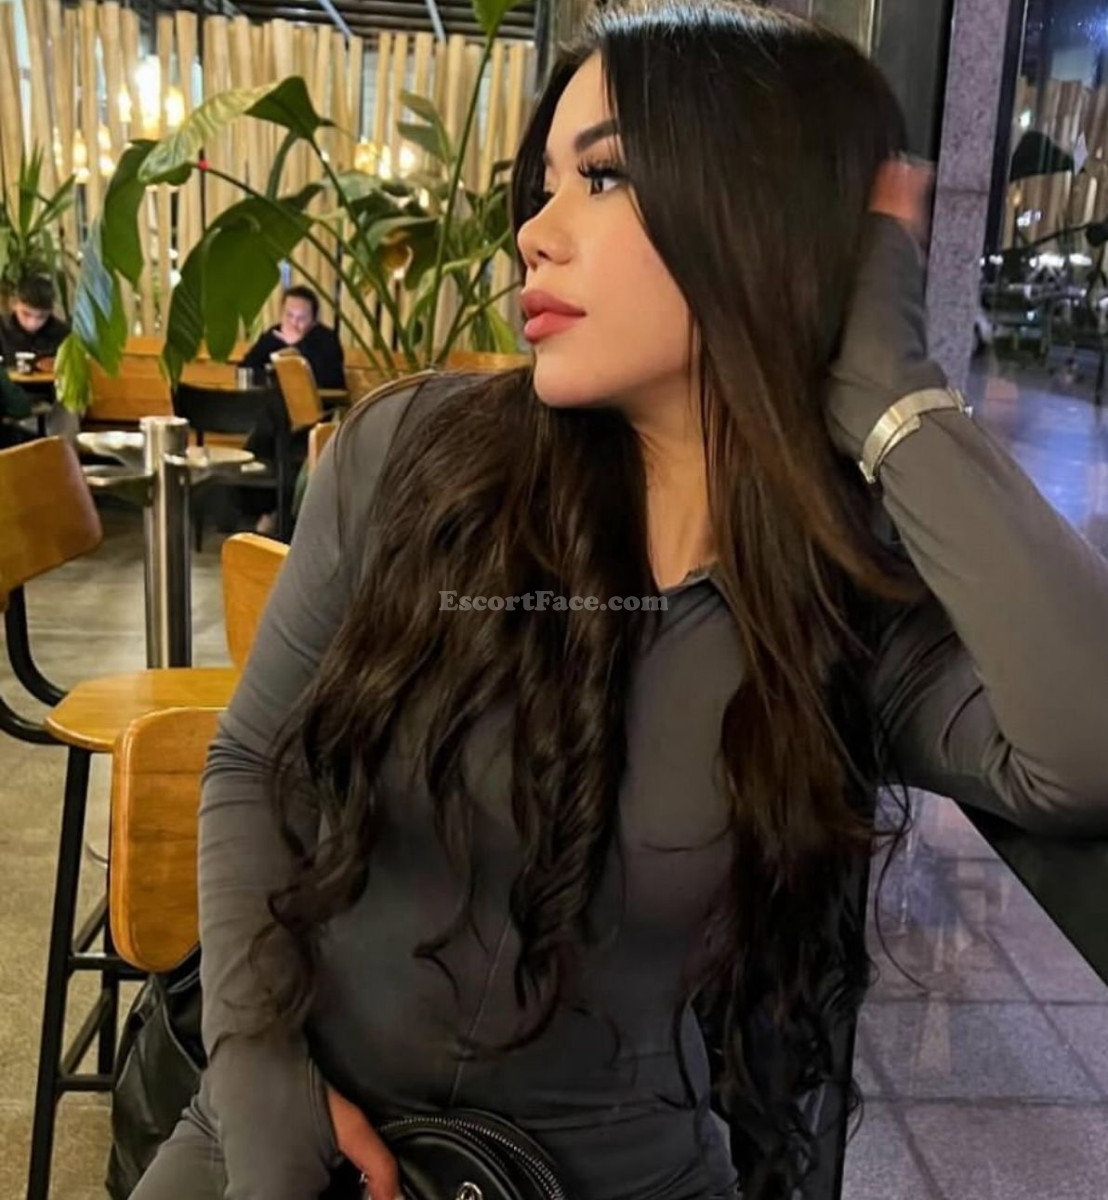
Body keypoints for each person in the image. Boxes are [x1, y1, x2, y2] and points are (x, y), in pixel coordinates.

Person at [131, 4, 1108, 1200]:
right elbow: (249, 762)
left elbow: (1086, 744)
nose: (533, 233)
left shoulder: (833, 602)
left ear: (756, 216)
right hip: (288, 1128)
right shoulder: (411, 458)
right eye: (543, 184)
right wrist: (256, 1072)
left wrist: (892, 391)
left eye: (600, 178)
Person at [238, 285, 345, 390]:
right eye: (289, 315)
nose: (294, 323)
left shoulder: (327, 339)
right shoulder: (274, 334)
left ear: (313, 320)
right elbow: (246, 367)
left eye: (301, 318)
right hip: (273, 396)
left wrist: (296, 345)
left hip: (316, 399)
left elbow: (329, 380)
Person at [0, 275, 69, 368]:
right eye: (26, 314)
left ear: (50, 312)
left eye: (42, 317)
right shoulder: (2, 329)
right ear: (13, 304)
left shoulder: (63, 335)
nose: (33, 323)